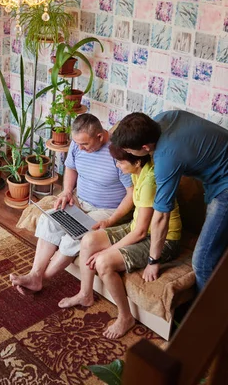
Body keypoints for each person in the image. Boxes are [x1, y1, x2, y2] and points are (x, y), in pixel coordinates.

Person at [110, 110, 228, 290]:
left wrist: (153, 260)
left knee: (202, 261)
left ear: (145, 148)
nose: (127, 154)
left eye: (128, 151)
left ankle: (208, 315)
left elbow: (161, 216)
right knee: (217, 247)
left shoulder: (167, 157)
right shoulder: (161, 119)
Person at [59, 145, 182, 339]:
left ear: (137, 160)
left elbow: (141, 233)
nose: (117, 165)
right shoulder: (137, 171)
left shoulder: (150, 181)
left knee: (103, 263)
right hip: (138, 228)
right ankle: (85, 294)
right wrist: (109, 221)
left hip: (163, 239)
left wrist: (106, 253)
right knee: (89, 239)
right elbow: (135, 210)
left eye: (120, 162)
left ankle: (125, 316)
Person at [10, 114, 134, 294]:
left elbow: (131, 194)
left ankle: (40, 279)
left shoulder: (117, 153)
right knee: (48, 221)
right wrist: (67, 191)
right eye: (78, 144)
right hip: (79, 200)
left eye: (85, 144)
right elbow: (71, 168)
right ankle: (34, 274)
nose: (80, 148)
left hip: (107, 210)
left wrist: (112, 219)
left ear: (100, 136)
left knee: (74, 236)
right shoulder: (77, 145)